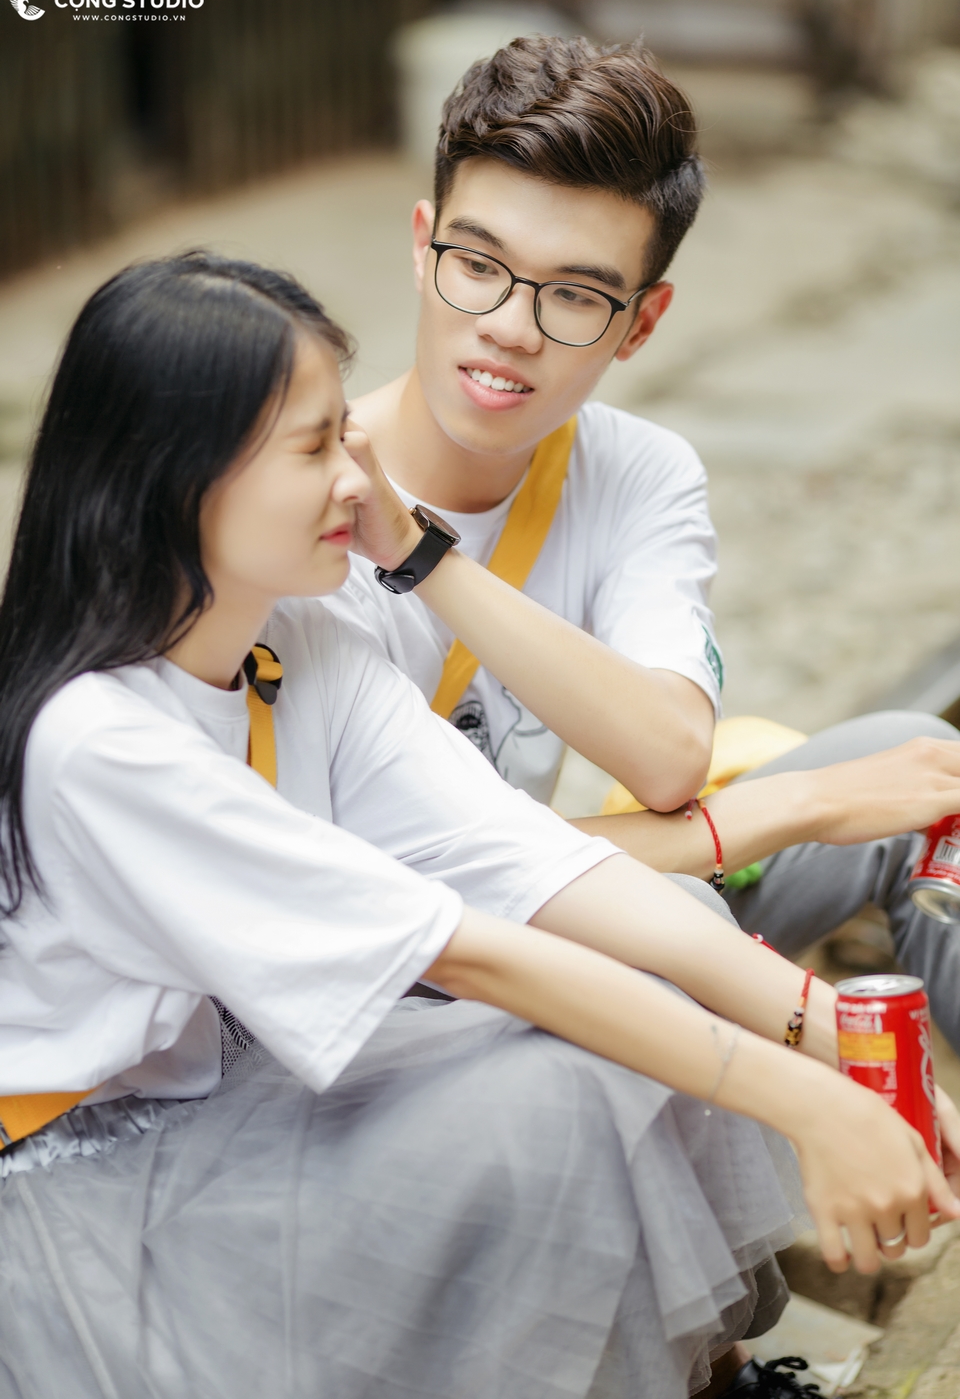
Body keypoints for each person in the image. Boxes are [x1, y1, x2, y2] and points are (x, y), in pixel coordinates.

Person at [1, 253, 957, 1399]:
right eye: (314, 447)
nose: (360, 481)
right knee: (555, 1094)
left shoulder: (297, 644)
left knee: (646, 970)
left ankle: (713, 1372)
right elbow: (471, 950)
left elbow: (543, 865)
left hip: (234, 1087)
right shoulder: (99, 742)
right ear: (179, 474)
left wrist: (839, 1037)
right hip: (95, 1183)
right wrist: (810, 1098)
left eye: (345, 436)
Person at [322, 34, 960, 1048]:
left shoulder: (635, 472)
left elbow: (668, 757)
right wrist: (779, 810)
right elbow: (373, 886)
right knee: (675, 926)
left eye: (576, 295)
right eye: (478, 266)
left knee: (925, 769)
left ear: (642, 323)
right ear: (421, 246)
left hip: (557, 901)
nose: (511, 327)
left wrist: (421, 557)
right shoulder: (307, 494)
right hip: (389, 991)